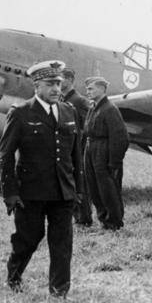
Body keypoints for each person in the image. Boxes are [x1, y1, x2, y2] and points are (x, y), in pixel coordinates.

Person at [0, 60, 83, 297]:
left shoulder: (69, 112)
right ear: (36, 86)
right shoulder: (21, 113)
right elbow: (6, 156)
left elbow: (76, 154)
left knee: (62, 243)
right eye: (50, 84)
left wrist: (78, 189)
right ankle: (14, 275)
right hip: (31, 192)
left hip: (62, 191)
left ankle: (59, 291)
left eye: (58, 83)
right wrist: (11, 194)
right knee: (28, 239)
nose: (56, 88)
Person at [83, 76, 129, 230]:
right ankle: (104, 221)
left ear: (102, 89)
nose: (87, 92)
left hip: (103, 150)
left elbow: (120, 138)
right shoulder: (93, 108)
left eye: (91, 88)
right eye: (87, 89)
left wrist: (114, 161)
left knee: (108, 188)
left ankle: (114, 222)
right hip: (91, 149)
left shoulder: (110, 109)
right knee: (94, 187)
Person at [61, 68, 93, 226]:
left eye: (60, 79)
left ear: (69, 80)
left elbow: (90, 125)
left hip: (77, 150)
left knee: (80, 185)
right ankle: (77, 217)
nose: (58, 83)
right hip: (67, 149)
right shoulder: (63, 99)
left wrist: (80, 146)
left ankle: (84, 219)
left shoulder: (78, 100)